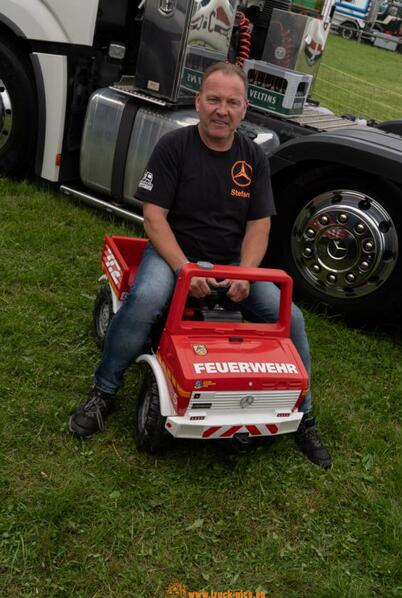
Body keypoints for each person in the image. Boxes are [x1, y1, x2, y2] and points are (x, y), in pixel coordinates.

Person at [69, 62, 332, 469]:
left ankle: (305, 417)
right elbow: (154, 217)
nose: (221, 110)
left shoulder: (253, 159)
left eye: (231, 102)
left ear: (244, 109)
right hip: (175, 254)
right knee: (144, 300)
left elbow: (259, 226)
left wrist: (245, 273)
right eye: (213, 100)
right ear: (199, 102)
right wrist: (182, 269)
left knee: (292, 318)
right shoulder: (173, 147)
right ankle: (104, 391)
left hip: (231, 264)